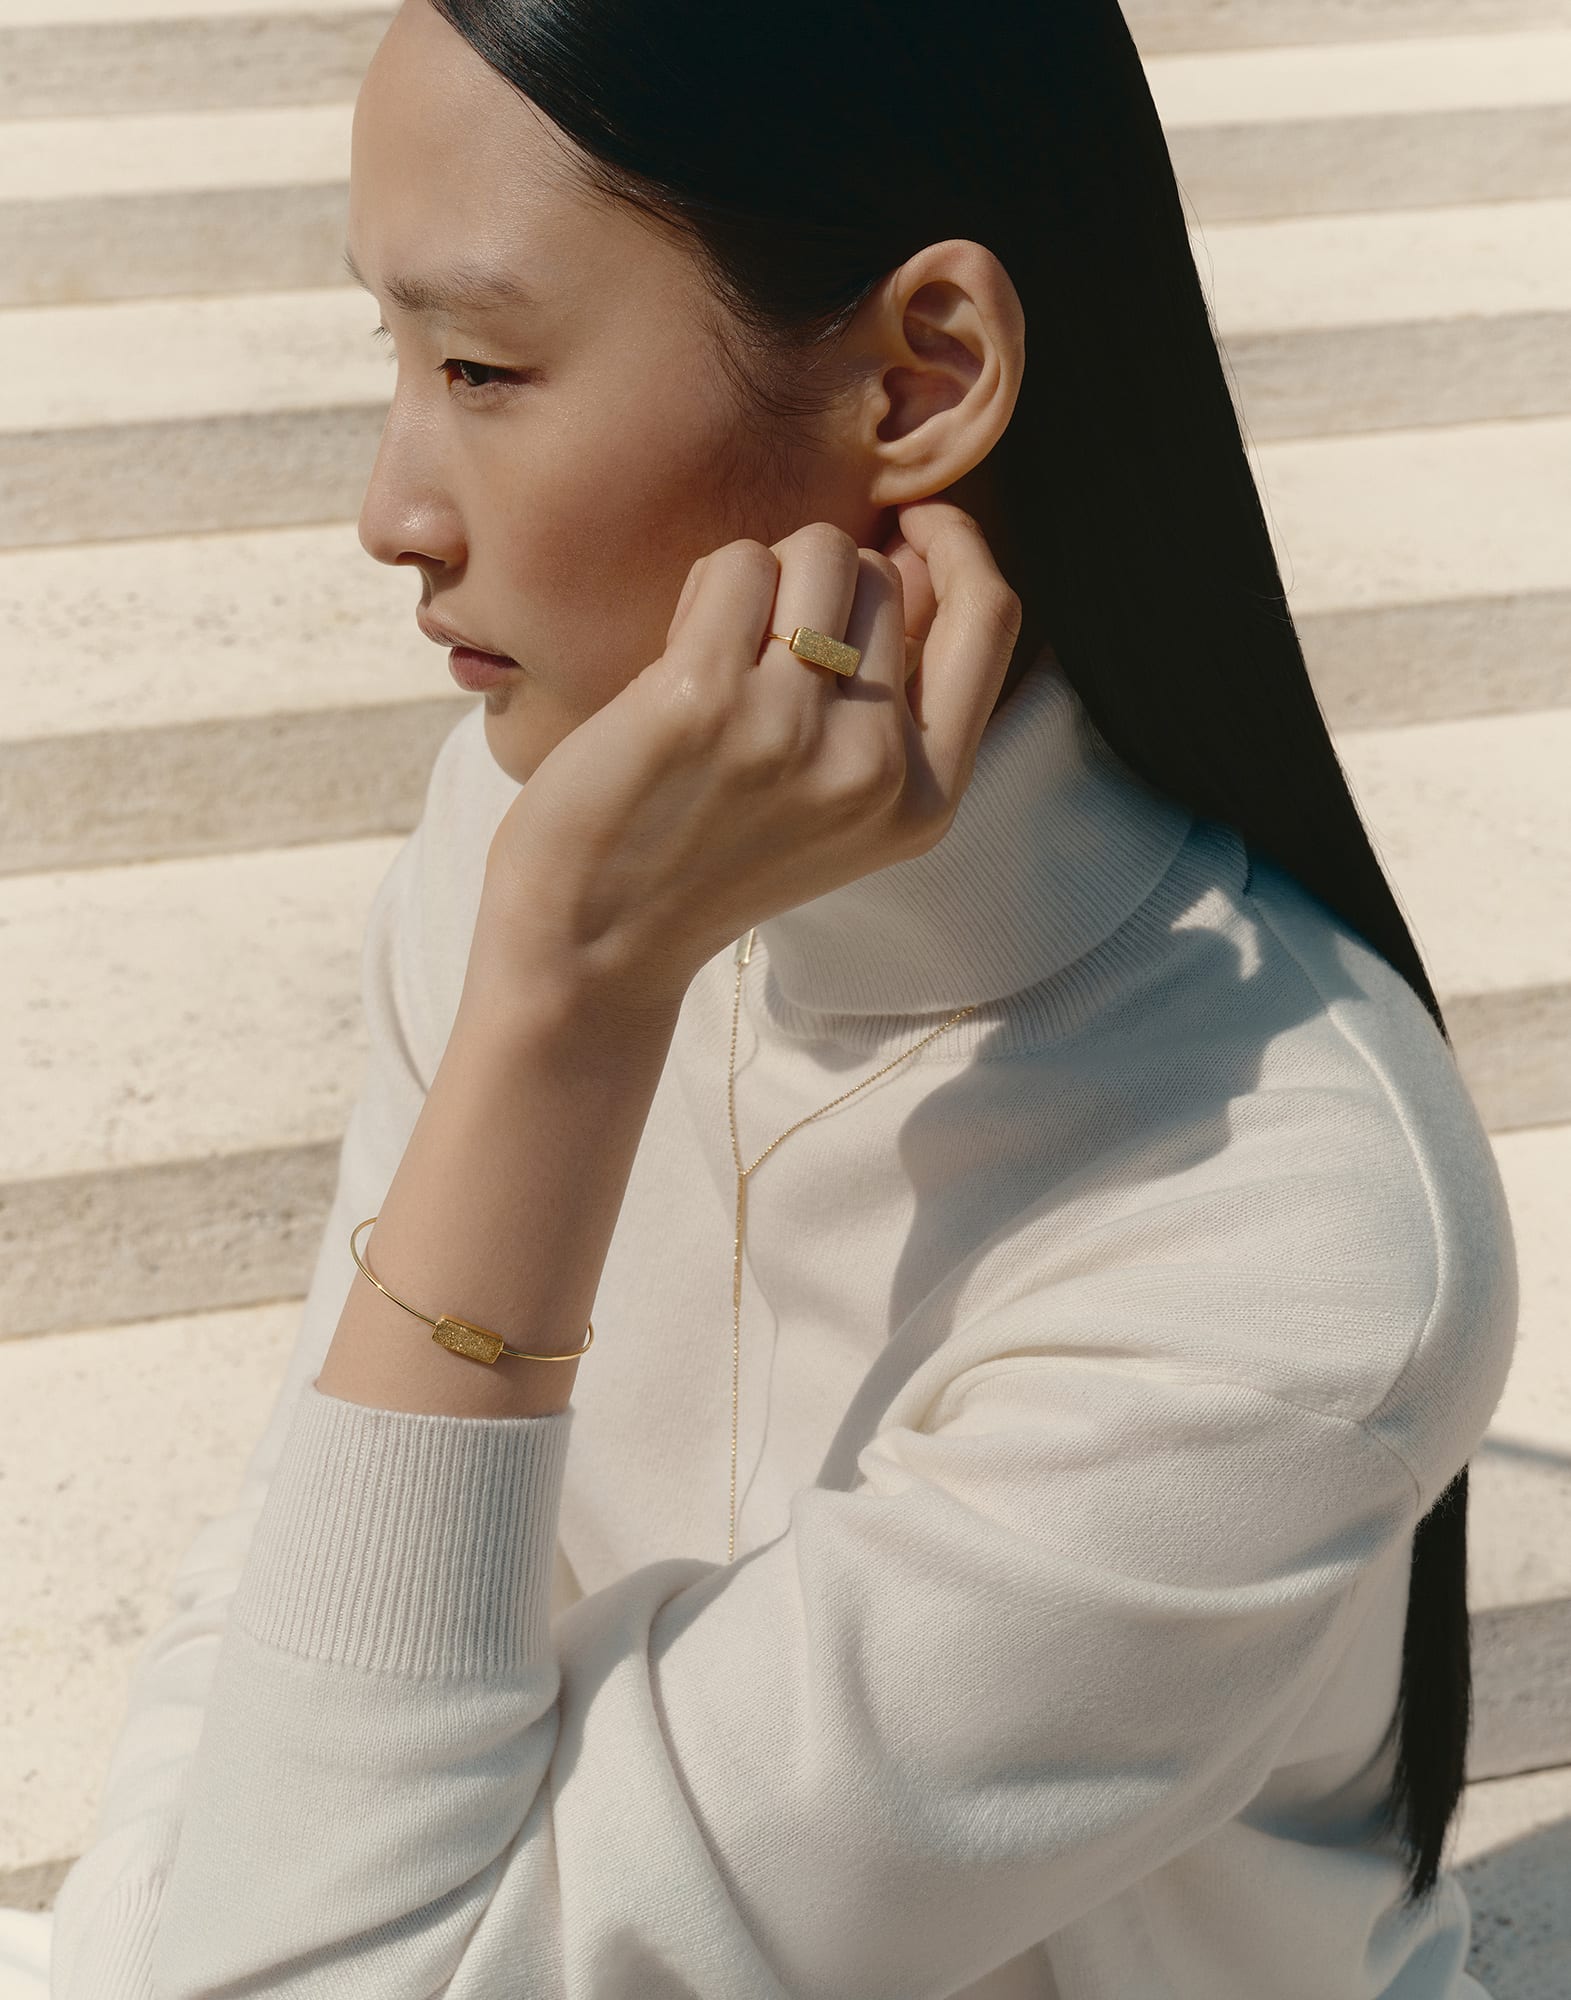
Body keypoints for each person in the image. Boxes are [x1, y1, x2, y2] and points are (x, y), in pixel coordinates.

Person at [43, 1, 1518, 1994]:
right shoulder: (542, 836)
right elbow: (304, 1553)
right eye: (387, 349)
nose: (390, 511)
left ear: (922, 378)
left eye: (481, 367)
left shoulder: (1282, 1232)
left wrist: (569, 1008)